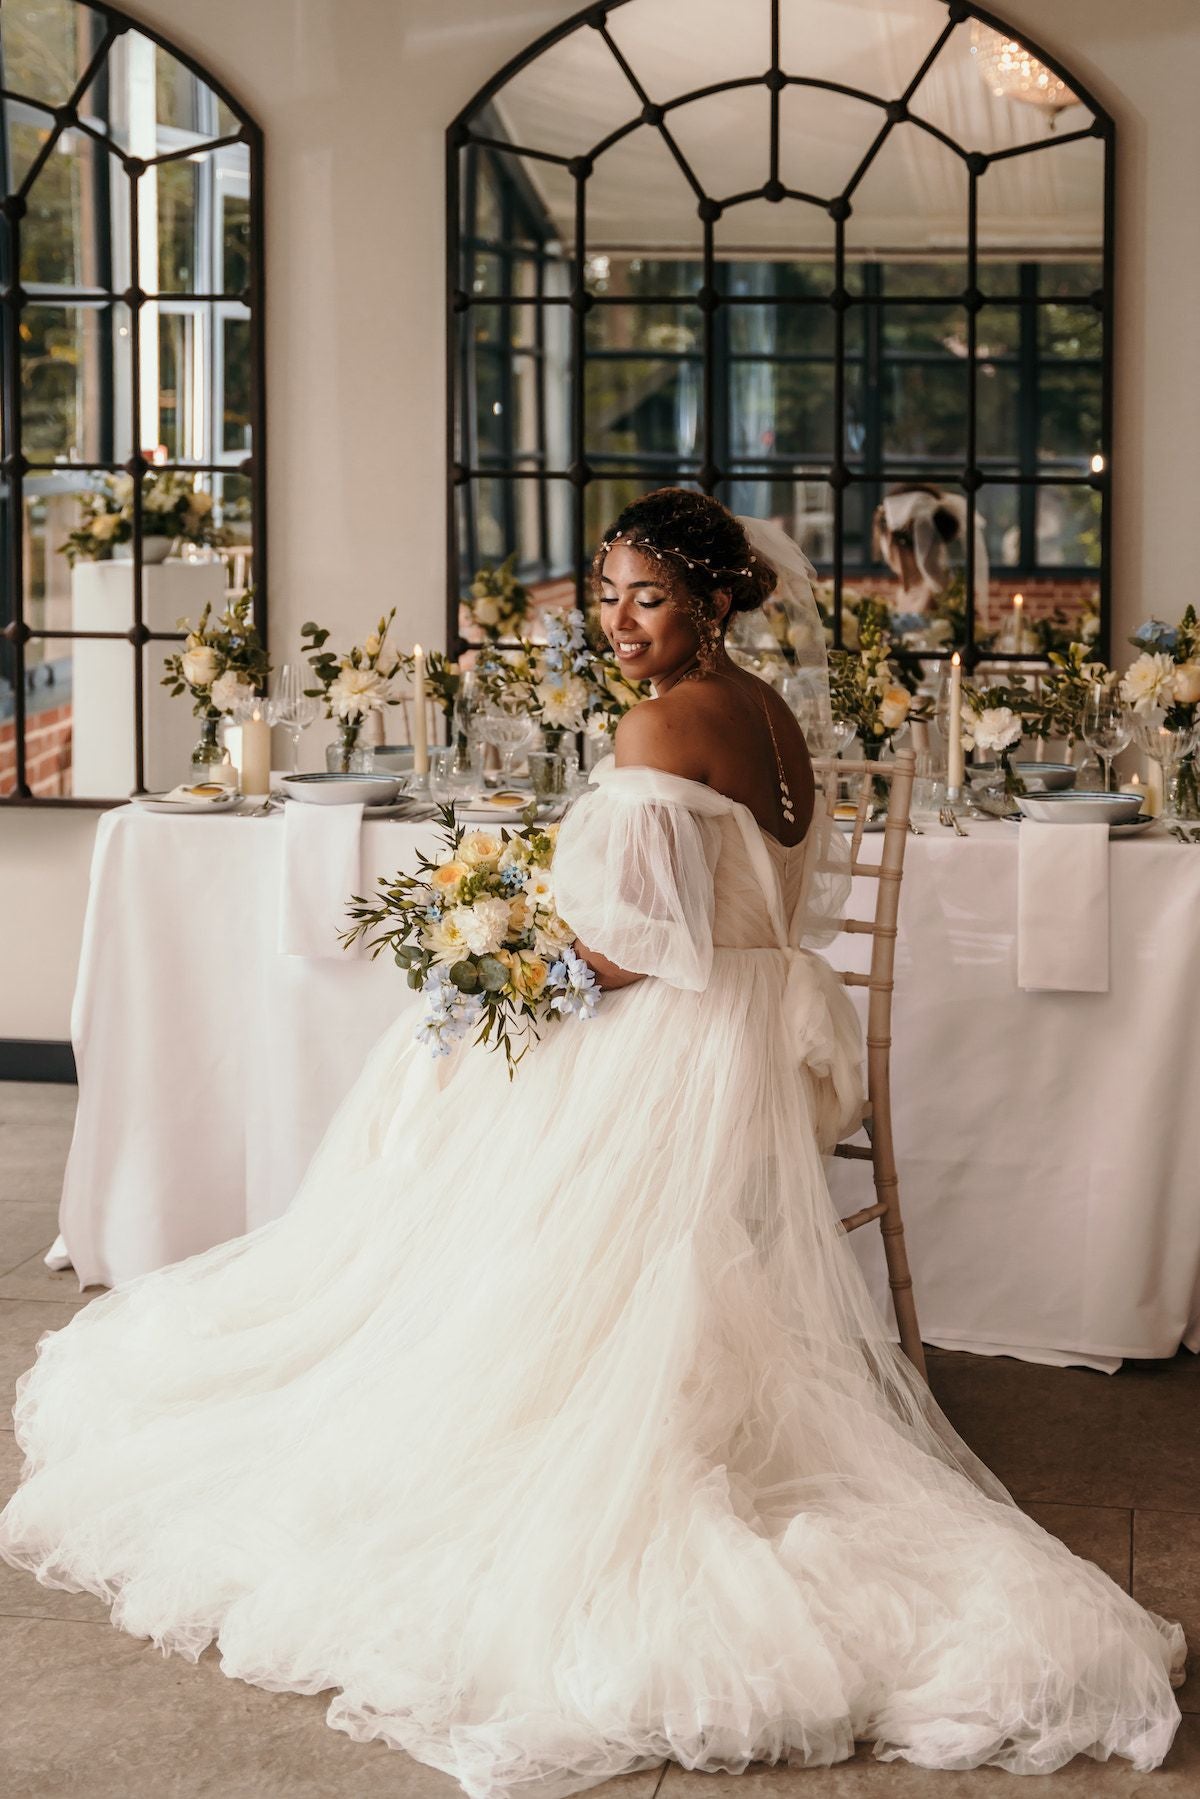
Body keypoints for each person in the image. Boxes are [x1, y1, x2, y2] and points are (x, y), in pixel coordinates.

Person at [1, 491, 1184, 1795]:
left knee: (431, 1082)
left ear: (713, 604)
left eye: (650, 598)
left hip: (681, 1037)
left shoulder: (664, 718)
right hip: (748, 1033)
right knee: (448, 1075)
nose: (619, 623)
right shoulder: (774, 710)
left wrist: (503, 963)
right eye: (609, 593)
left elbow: (632, 949)